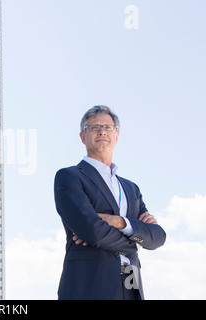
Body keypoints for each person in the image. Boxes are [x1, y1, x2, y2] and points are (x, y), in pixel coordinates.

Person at [54, 105, 166, 300]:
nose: (102, 131)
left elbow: (157, 237)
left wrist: (121, 223)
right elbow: (92, 232)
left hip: (131, 286)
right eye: (94, 127)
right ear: (82, 137)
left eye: (108, 127)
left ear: (117, 136)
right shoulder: (69, 177)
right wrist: (135, 238)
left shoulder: (131, 188)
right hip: (89, 286)